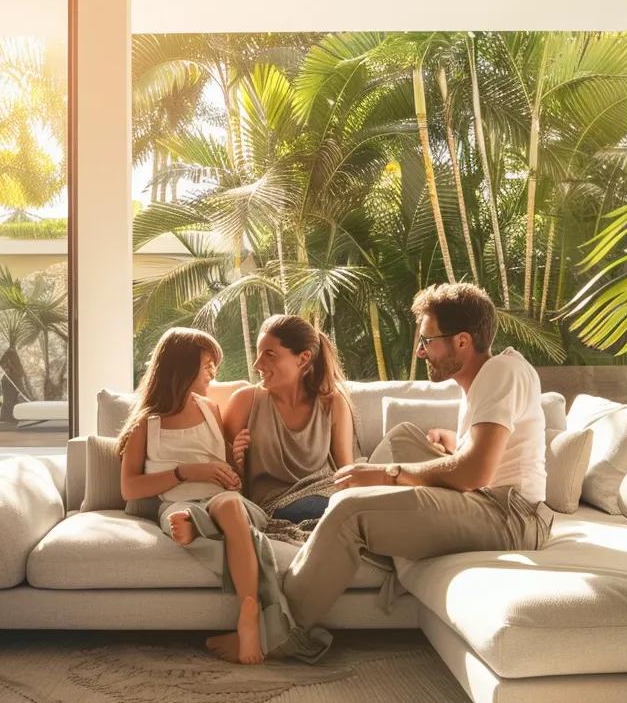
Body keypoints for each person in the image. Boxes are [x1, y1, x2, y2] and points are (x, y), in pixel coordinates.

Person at [278, 282, 553, 644]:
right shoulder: (485, 378)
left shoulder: (502, 372)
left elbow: (475, 473)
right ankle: (364, 512)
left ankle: (279, 634)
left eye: (427, 341)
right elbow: (500, 449)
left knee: (349, 509)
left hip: (511, 516)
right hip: (493, 501)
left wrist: (384, 474)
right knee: (403, 435)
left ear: (462, 342)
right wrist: (454, 442)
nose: (421, 352)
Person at [119, 327, 325, 665]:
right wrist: (185, 472)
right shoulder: (146, 423)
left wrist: (236, 461)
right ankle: (193, 526)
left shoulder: (211, 409)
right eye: (207, 366)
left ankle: (247, 616)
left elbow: (230, 479)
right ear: (181, 368)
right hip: (179, 500)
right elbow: (130, 488)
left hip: (221, 499)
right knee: (183, 515)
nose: (214, 373)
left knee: (229, 505)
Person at [222, 315, 354, 523]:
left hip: (329, 493)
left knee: (365, 509)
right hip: (278, 504)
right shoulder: (245, 402)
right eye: (258, 354)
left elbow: (346, 470)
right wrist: (236, 463)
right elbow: (228, 481)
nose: (258, 364)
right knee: (345, 513)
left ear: (302, 359)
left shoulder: (332, 403)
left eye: (270, 355)